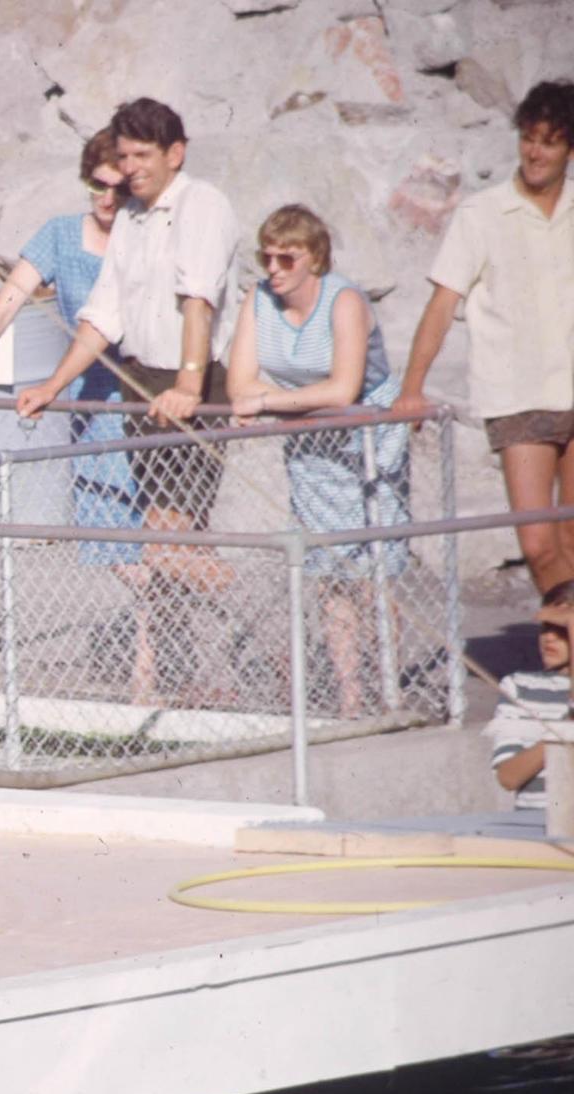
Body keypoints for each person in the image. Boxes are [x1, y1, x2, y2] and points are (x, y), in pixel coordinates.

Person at [0, 128, 154, 695]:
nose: (105, 200)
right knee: (112, 539)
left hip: (142, 395)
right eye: (96, 187)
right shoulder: (62, 235)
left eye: (117, 189)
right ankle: (149, 668)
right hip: (85, 402)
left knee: (152, 538)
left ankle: (148, 674)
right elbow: (6, 302)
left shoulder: (146, 236)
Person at [16, 97, 241, 587]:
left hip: (191, 379)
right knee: (165, 545)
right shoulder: (130, 218)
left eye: (142, 155)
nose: (130, 168)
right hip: (142, 383)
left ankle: (265, 599)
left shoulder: (201, 204)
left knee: (165, 543)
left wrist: (188, 383)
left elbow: (198, 300)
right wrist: (52, 386)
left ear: (174, 154)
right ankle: (166, 661)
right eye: (124, 157)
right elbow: (102, 315)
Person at [227, 204, 411, 718]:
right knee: (329, 570)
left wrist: (267, 401)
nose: (275, 269)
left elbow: (344, 388)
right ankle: (351, 695)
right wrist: (278, 399)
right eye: (268, 258)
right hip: (308, 436)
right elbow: (238, 382)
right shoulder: (258, 300)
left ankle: (387, 684)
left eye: (287, 258)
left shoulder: (343, 300)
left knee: (370, 569)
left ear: (314, 259)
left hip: (366, 439)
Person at [397, 80, 574, 598]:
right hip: (516, 398)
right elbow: (440, 306)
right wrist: (413, 387)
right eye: (529, 137)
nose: (537, 151)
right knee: (540, 543)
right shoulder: (481, 214)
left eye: (551, 140)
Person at [486, 591, 574, 811]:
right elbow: (508, 777)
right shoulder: (521, 687)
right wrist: (561, 733)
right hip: (536, 824)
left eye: (562, 629)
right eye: (545, 627)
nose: (549, 637)